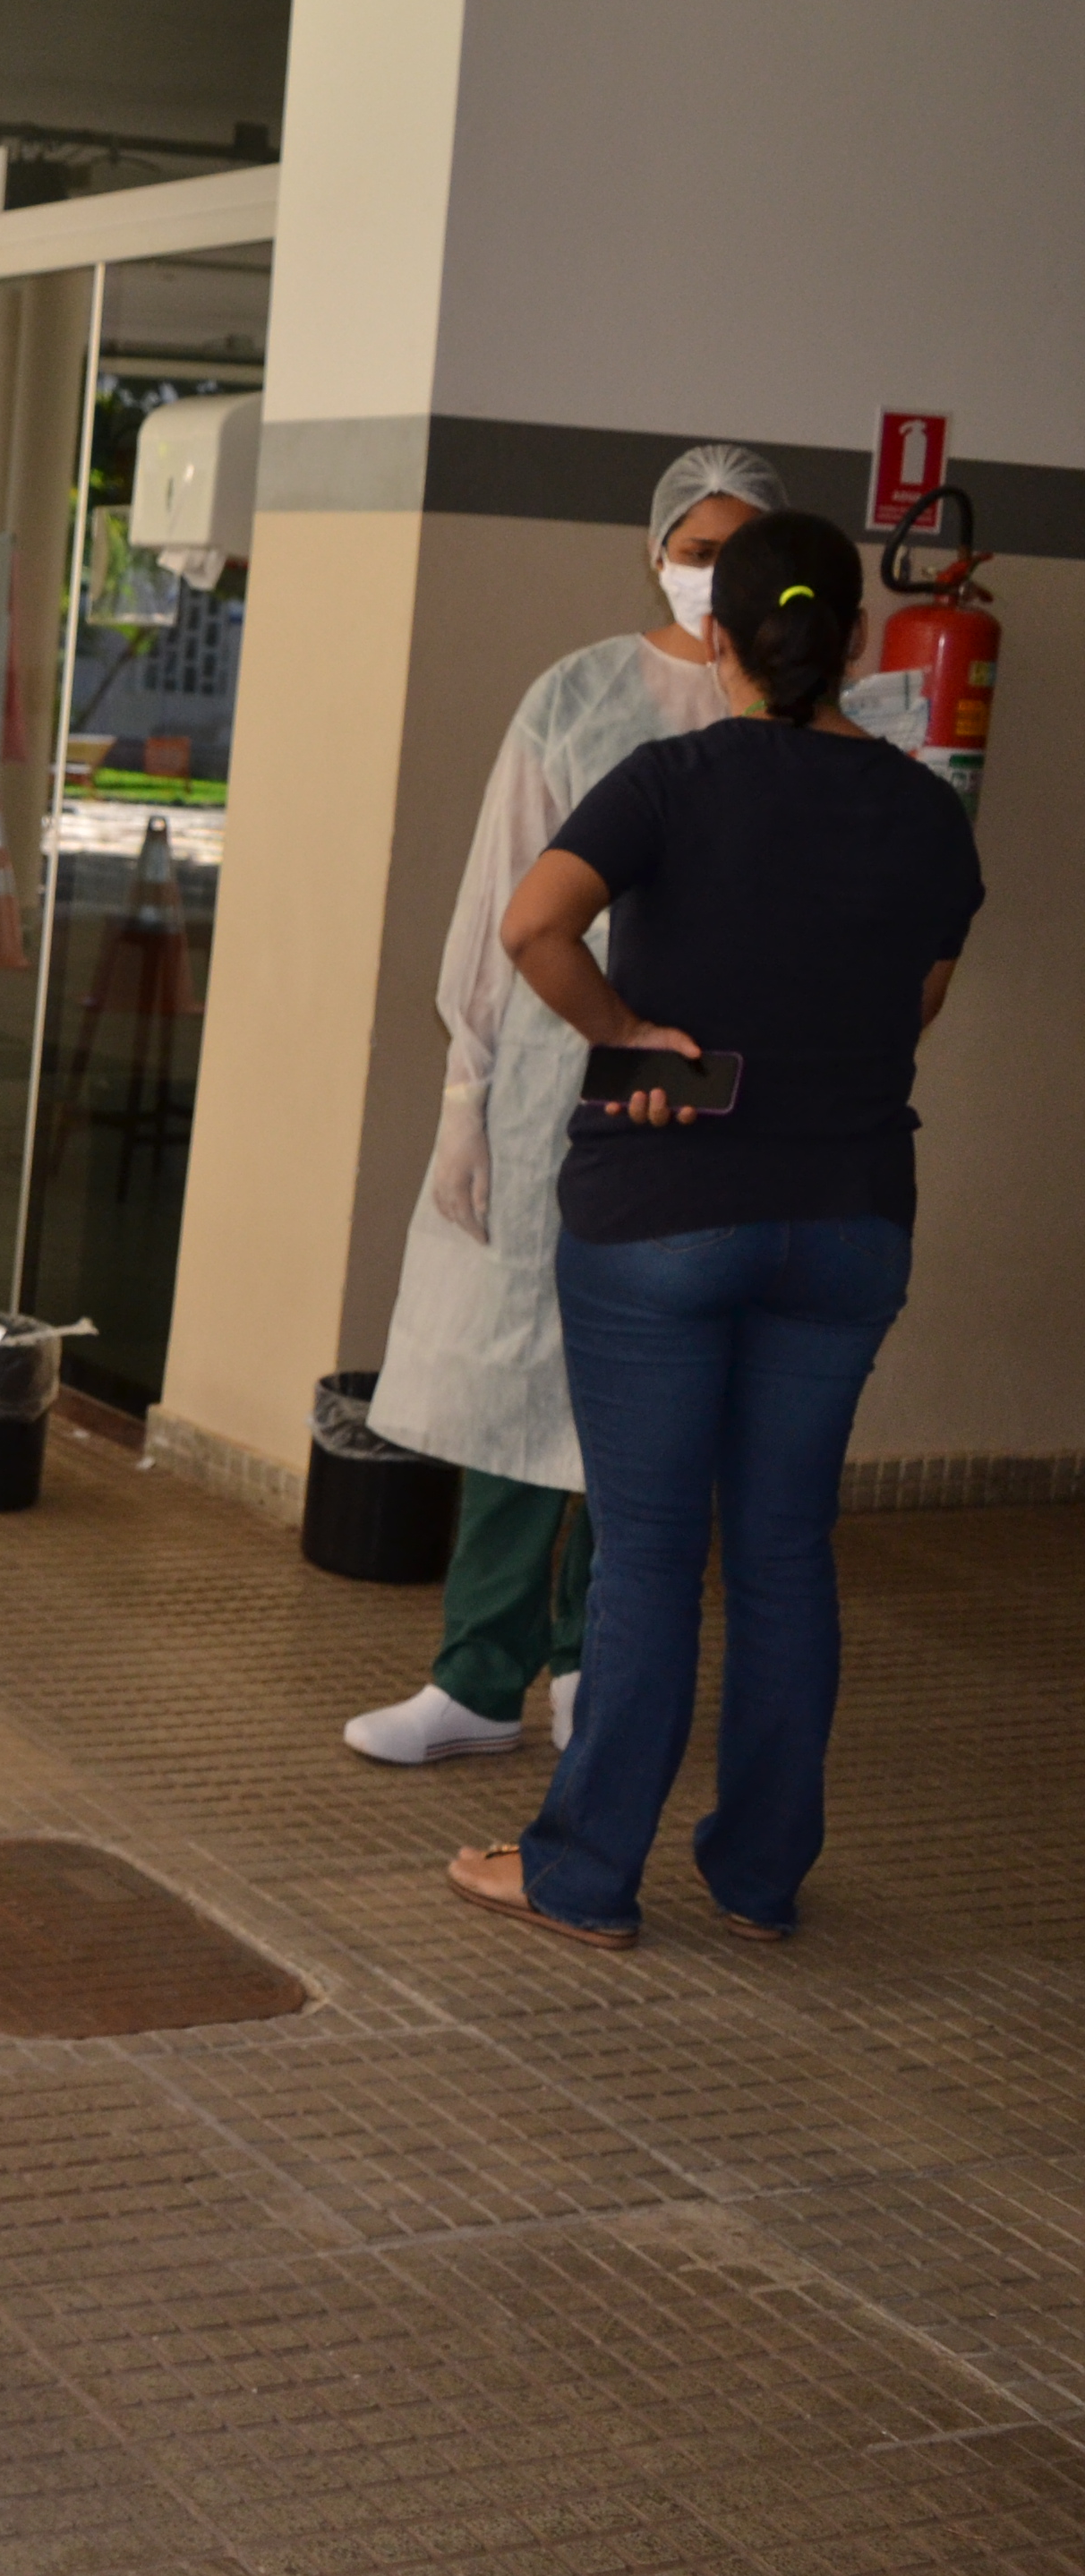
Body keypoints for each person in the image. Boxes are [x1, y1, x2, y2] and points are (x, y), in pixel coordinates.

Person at [450, 509, 981, 1950]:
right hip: (852, 1221)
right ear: (856, 645)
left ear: (725, 644)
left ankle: (582, 1873)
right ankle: (757, 1876)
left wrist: (631, 1031)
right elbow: (921, 997)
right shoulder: (930, 810)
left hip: (666, 1215)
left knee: (646, 1555)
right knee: (787, 1553)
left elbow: (531, 928)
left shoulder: (669, 778)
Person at [349, 447, 786, 1765]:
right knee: (511, 1366)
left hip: (723, 1087)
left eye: (741, 550)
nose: (713, 575)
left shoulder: (808, 714)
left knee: (649, 1380)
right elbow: (504, 901)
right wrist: (470, 1092)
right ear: (654, 550)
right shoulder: (582, 694)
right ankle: (479, 1678)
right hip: (556, 1073)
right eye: (694, 547)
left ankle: (598, 1664)